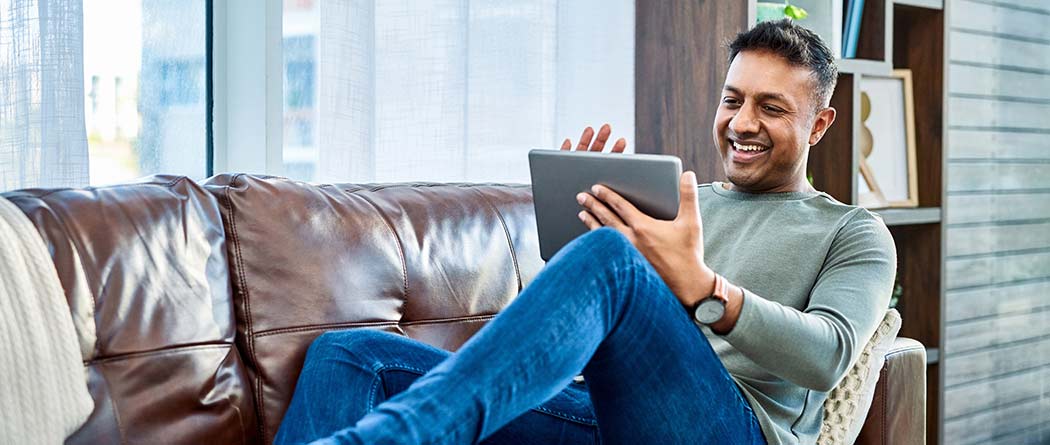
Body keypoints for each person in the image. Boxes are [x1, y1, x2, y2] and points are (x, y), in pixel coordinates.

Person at [275, 19, 895, 445]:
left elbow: (828, 356)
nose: (742, 122)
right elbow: (587, 328)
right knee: (349, 354)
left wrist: (705, 289)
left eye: (772, 107)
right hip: (598, 410)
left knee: (610, 261)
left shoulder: (852, 232)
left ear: (819, 125)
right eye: (732, 100)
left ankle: (416, 433)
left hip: (732, 427)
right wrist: (581, 247)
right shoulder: (673, 204)